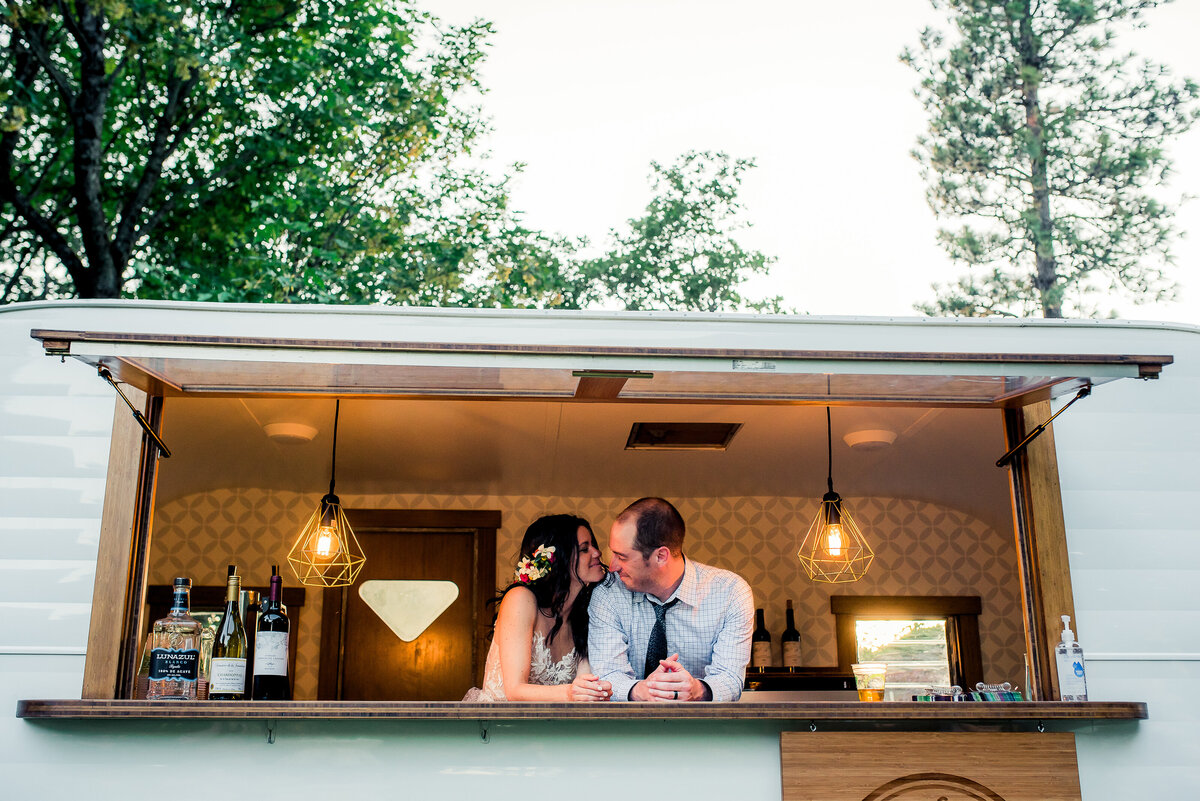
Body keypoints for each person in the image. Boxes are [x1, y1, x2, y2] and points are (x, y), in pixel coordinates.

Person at [587, 497, 754, 702]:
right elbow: (607, 674)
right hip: (625, 729)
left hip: (704, 729)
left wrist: (696, 689)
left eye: (622, 557)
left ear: (661, 556)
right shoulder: (608, 592)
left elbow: (730, 678)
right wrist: (643, 690)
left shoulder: (731, 593)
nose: (612, 567)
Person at [463, 514, 613, 702]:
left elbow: (586, 683)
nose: (597, 553)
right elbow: (514, 690)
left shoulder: (586, 612)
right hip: (501, 724)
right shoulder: (521, 599)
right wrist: (571, 693)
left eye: (593, 546)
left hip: (550, 727)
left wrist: (595, 691)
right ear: (559, 559)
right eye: (584, 549)